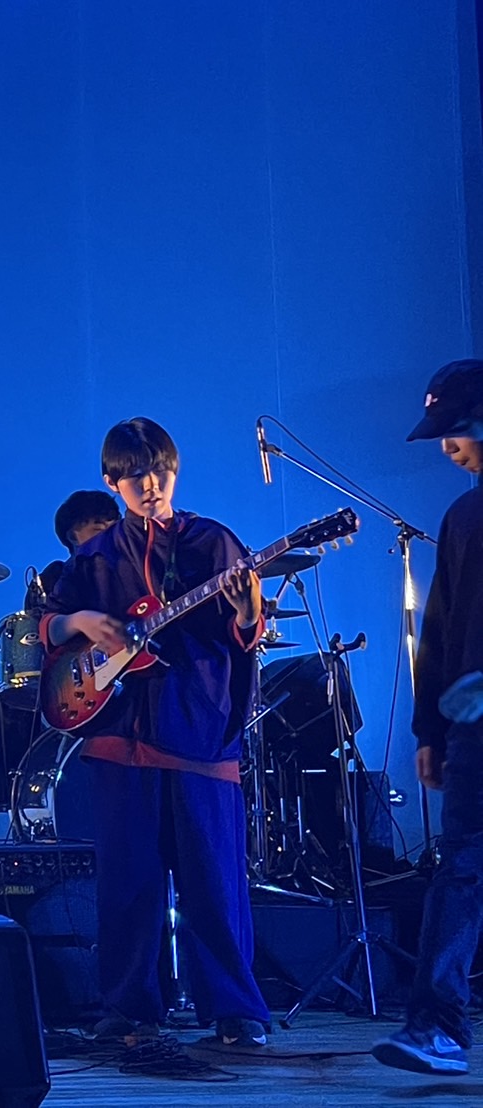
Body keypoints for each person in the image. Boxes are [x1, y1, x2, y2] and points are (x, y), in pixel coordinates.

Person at [39, 417, 270, 1047]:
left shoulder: (213, 542)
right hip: (118, 736)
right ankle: (130, 1006)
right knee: (128, 884)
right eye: (136, 475)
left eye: (160, 471)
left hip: (197, 730)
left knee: (213, 882)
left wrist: (248, 609)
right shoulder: (93, 557)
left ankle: (235, 1009)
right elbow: (49, 628)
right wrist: (83, 621)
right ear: (111, 481)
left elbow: (245, 635)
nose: (151, 484)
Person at [372, 360, 483, 1075]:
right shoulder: (463, 516)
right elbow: (438, 632)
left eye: (455, 430)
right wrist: (429, 731)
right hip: (471, 729)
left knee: (464, 867)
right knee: (461, 866)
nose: (448, 447)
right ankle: (435, 1026)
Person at [24, 489, 122, 609]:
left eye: (114, 528)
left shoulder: (134, 561)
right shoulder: (54, 578)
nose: (110, 535)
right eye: (98, 530)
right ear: (73, 537)